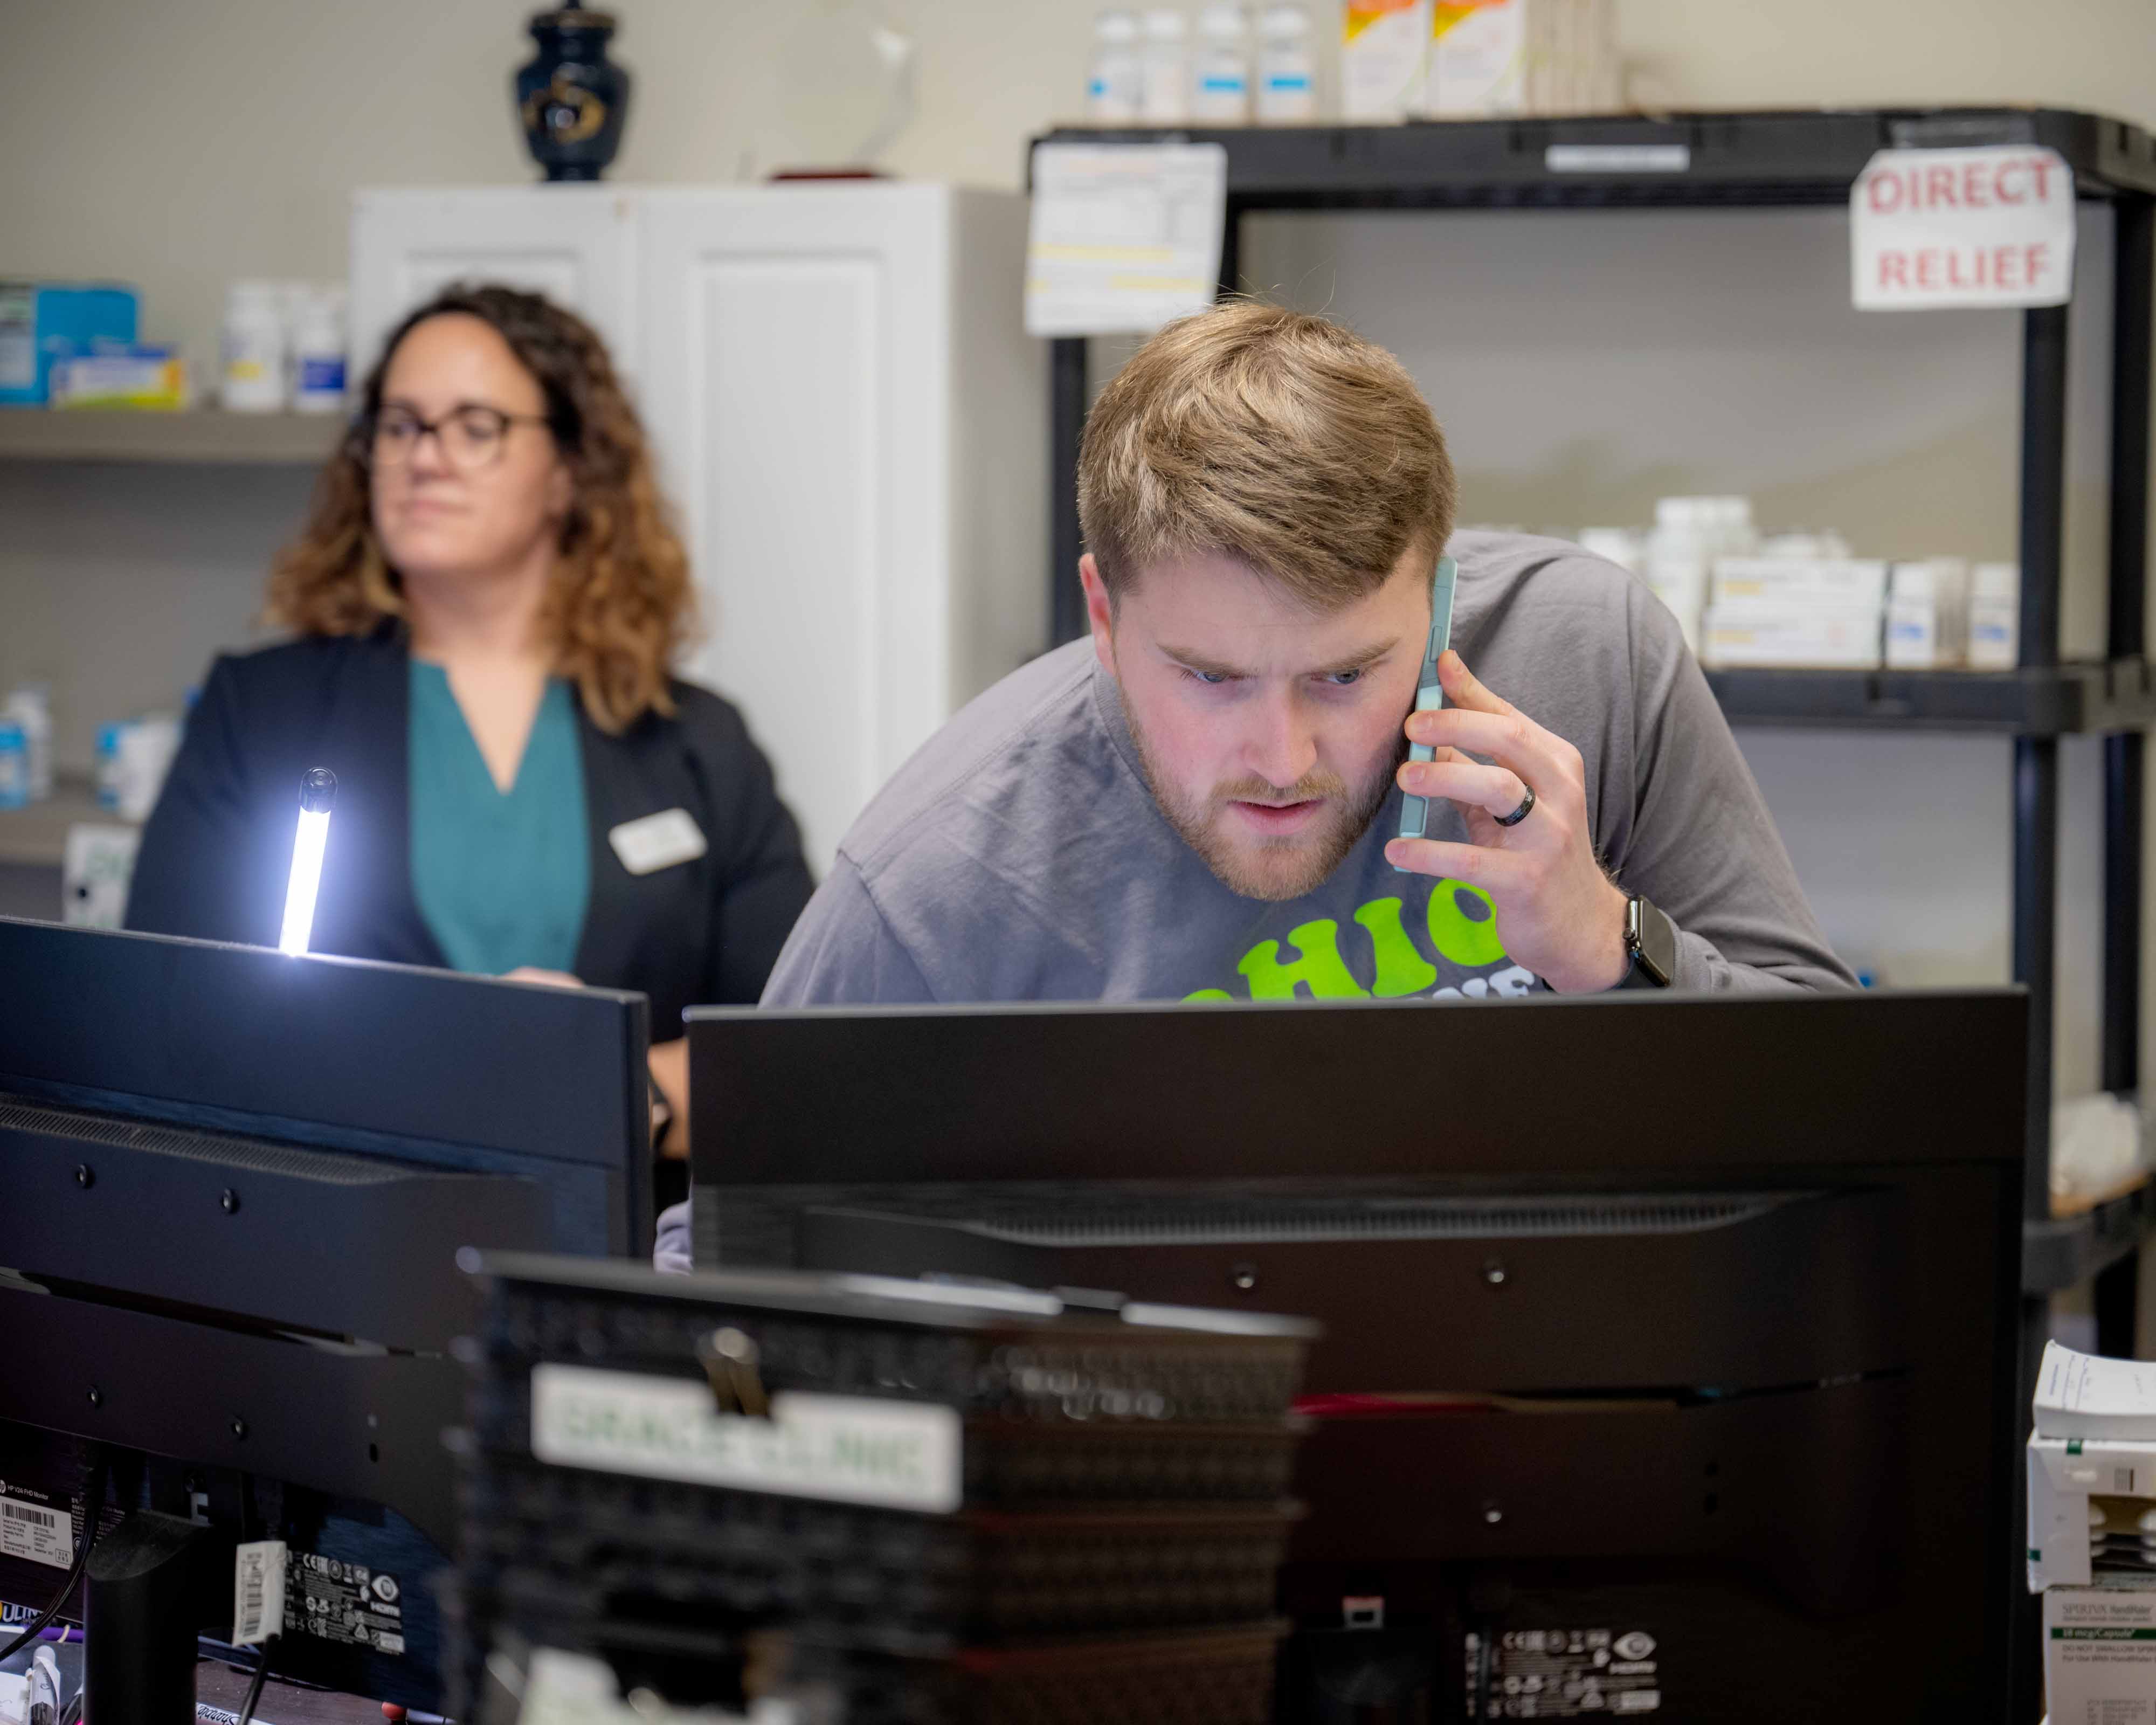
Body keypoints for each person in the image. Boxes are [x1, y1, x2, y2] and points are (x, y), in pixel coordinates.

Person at [761, 301, 1853, 1008]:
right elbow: (727, 1250)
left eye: (1343, 675)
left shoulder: (1583, 660)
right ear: (1102, 613)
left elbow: (1852, 1100)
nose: (1282, 758)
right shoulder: (935, 883)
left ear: (1435, 600)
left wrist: (1605, 942)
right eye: (1209, 677)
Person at [127, 285, 814, 1172]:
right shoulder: (263, 715)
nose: (427, 458)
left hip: (622, 1265)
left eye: (476, 426)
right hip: (339, 1261)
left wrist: (616, 1097)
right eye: (401, 425)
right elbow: (166, 1020)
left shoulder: (695, 742)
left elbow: (792, 1053)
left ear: (570, 469)